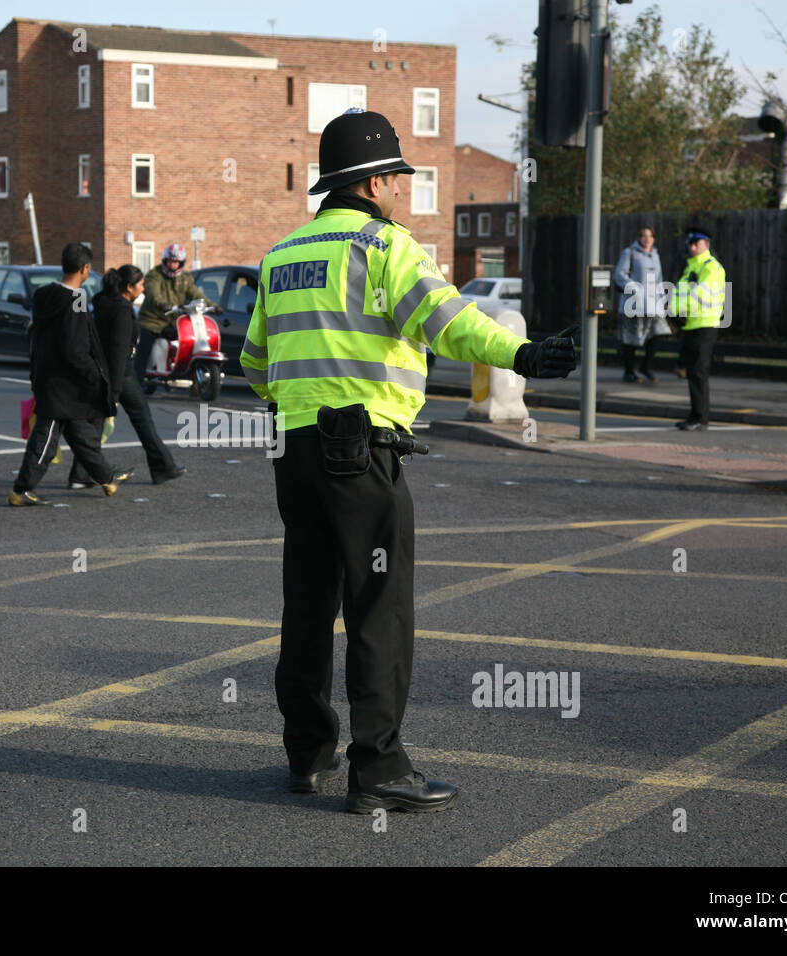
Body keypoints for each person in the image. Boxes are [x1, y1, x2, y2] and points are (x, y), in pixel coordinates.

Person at [240, 108, 578, 814]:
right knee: (378, 610)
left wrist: (304, 400)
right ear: (368, 184)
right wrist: (523, 353)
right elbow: (447, 321)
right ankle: (381, 769)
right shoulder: (384, 247)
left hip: (293, 449)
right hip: (360, 450)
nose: (402, 185)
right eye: (396, 174)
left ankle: (307, 755)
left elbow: (254, 363)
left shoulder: (281, 256)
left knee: (307, 606)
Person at [9, 242, 133, 505]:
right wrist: (93, 375)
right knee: (44, 439)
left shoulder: (44, 295)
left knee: (81, 435)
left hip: (47, 376)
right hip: (62, 383)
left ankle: (107, 478)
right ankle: (21, 490)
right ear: (85, 269)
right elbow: (75, 348)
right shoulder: (77, 301)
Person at [67, 264, 187, 488]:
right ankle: (162, 466)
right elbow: (119, 351)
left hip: (101, 372)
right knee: (142, 420)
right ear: (129, 287)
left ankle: (80, 474)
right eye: (140, 285)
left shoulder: (103, 301)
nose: (143, 290)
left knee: (96, 423)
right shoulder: (122, 310)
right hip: (120, 375)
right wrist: (113, 390)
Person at [134, 243, 220, 383]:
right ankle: (138, 381)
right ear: (165, 261)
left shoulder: (185, 278)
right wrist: (162, 304)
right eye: (170, 261)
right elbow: (153, 292)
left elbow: (196, 294)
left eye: (176, 262)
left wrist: (213, 306)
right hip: (152, 320)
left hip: (174, 320)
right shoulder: (154, 275)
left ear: (181, 263)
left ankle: (186, 372)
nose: (173, 265)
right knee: (144, 348)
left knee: (189, 340)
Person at [671, 227, 726, 431]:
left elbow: (699, 297)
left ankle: (700, 418)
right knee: (692, 372)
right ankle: (695, 415)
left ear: (707, 245)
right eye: (690, 244)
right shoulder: (690, 268)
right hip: (691, 324)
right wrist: (671, 308)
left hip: (704, 325)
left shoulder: (711, 268)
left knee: (698, 372)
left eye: (697, 244)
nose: (693, 247)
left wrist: (674, 309)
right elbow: (680, 294)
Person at [612, 226, 670, 383]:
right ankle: (629, 371)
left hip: (653, 304)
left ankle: (645, 366)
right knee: (630, 338)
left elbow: (659, 279)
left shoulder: (655, 255)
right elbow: (619, 275)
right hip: (633, 304)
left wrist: (663, 299)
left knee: (659, 332)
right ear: (639, 238)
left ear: (654, 238)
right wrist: (635, 288)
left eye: (650, 236)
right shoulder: (629, 253)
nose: (647, 239)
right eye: (643, 236)